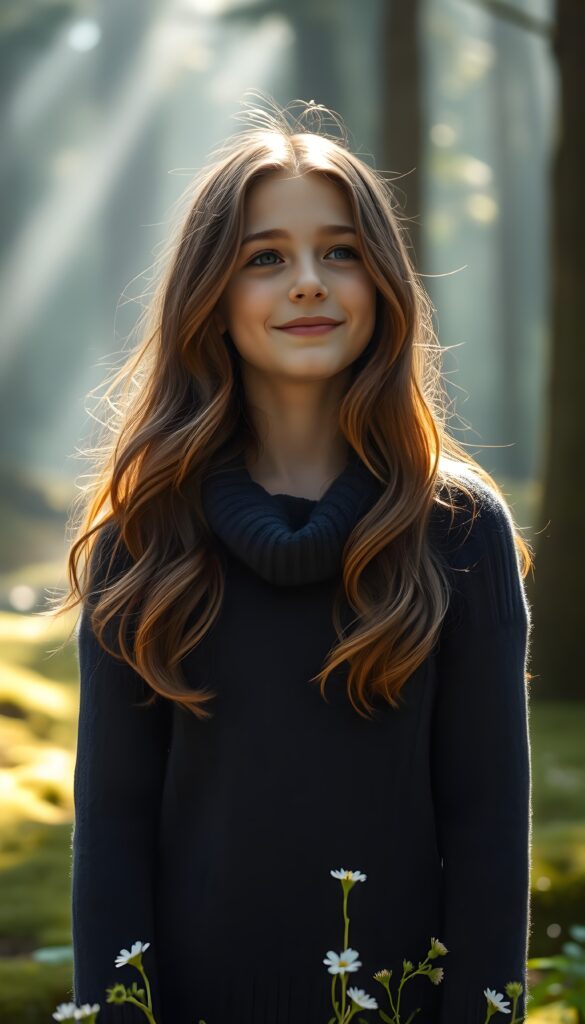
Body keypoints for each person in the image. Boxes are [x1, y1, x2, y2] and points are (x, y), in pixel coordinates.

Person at [56, 97, 534, 1023]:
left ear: (384, 283)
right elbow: (110, 830)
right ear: (209, 296)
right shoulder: (144, 536)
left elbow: (488, 833)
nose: (308, 282)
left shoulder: (457, 529)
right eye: (264, 257)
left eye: (341, 251)